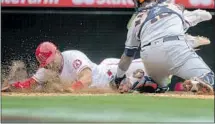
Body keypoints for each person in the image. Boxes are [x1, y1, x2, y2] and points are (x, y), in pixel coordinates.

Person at [110, 0, 214, 94]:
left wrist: (118, 78)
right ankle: (198, 82)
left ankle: (140, 81)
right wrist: (202, 15)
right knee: (211, 79)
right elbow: (203, 16)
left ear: (136, 1)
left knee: (160, 86)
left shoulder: (135, 21)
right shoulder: (172, 6)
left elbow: (127, 56)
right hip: (177, 50)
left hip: (150, 57)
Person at [1, 43, 146, 92]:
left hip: (109, 71)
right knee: (135, 84)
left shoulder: (72, 56)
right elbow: (30, 84)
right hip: (111, 86)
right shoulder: (46, 69)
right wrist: (12, 87)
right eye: (46, 63)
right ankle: (138, 79)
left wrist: (72, 89)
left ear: (57, 52)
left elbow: (87, 78)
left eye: (51, 60)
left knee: (146, 64)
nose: (50, 64)